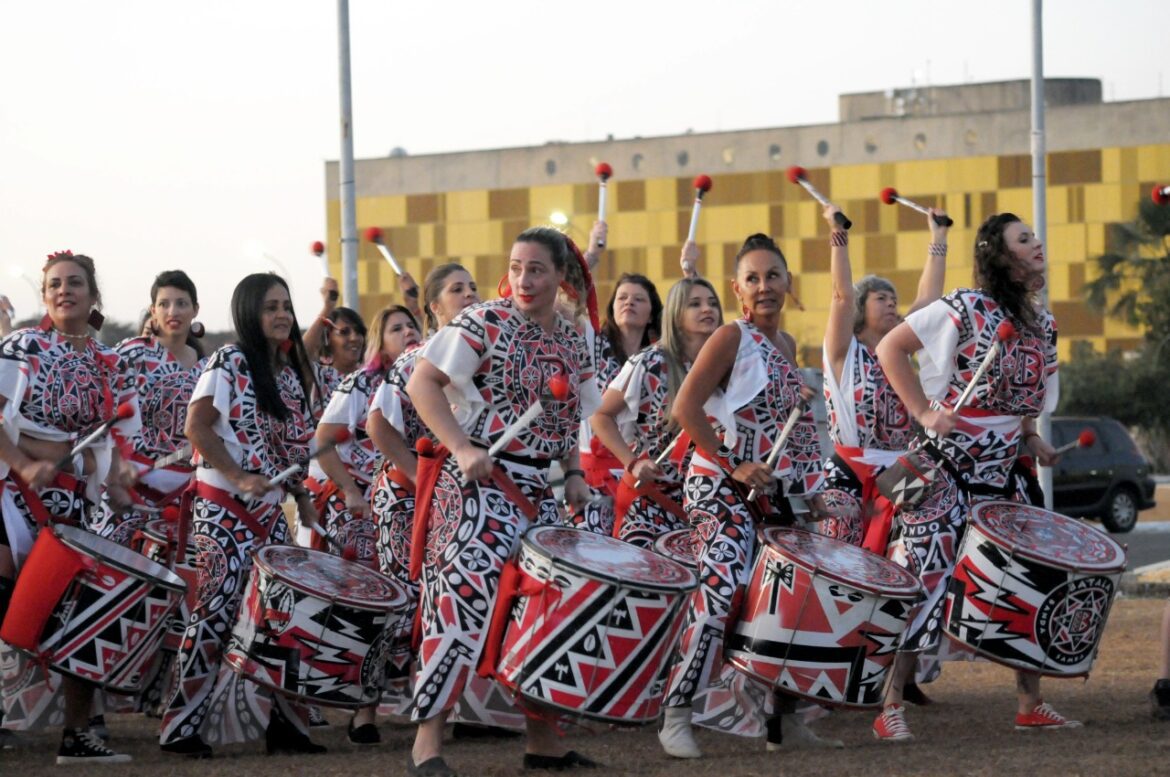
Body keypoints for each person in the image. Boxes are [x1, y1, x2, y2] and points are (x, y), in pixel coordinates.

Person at [872, 213, 1077, 741]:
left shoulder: (1044, 324)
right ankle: (888, 704)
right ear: (999, 255)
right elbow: (890, 348)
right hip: (944, 471)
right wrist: (922, 412)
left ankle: (1030, 703)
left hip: (1003, 473)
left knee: (1025, 582)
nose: (1037, 246)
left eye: (1035, 238)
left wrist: (1031, 436)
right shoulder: (962, 306)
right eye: (1024, 240)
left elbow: (1026, 402)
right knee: (920, 579)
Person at [404, 227, 599, 776]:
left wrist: (575, 472)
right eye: (515, 267)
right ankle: (427, 747)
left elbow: (570, 417)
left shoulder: (572, 337)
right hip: (479, 485)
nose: (522, 280)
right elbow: (424, 384)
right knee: (459, 603)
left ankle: (543, 743)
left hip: (539, 492)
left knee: (540, 612)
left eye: (535, 269)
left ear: (560, 276)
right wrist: (462, 446)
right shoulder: (482, 321)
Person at [658, 234, 837, 758]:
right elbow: (686, 410)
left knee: (793, 600)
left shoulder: (785, 348)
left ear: (788, 284)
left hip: (772, 494)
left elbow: (794, 436)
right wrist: (735, 464)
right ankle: (676, 712)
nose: (765, 287)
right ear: (737, 289)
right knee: (721, 592)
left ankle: (784, 722)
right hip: (717, 485)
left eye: (773, 276)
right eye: (753, 278)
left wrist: (810, 493)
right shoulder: (730, 337)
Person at [159, 273, 324, 759]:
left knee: (286, 613)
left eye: (285, 306)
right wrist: (239, 475)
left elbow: (288, 450)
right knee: (212, 615)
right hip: (222, 507)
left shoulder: (291, 374)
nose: (281, 314)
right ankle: (179, 730)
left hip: (270, 511)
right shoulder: (229, 361)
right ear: (249, 312)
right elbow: (198, 427)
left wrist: (303, 497)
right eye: (270, 306)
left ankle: (287, 727)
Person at [0, 251, 138, 763]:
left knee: (85, 615)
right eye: (54, 284)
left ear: (93, 294)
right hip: (14, 498)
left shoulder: (107, 362)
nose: (64, 291)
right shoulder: (22, 347)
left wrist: (120, 481)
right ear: (44, 296)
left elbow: (111, 441)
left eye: (75, 283)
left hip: (76, 509)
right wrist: (25, 460)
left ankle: (77, 735)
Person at [367, 264, 481, 720]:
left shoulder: (481, 350)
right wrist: (420, 477)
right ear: (434, 307)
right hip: (406, 494)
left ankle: (460, 706)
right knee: (402, 601)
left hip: (456, 491)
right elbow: (377, 425)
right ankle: (366, 710)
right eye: (457, 290)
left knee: (452, 599)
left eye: (473, 287)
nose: (470, 295)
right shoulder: (419, 356)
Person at [307, 303, 419, 744]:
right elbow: (322, 442)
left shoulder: (426, 379)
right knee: (370, 611)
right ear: (379, 339)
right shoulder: (361, 383)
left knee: (411, 607)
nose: (407, 332)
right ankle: (362, 714)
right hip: (358, 512)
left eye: (411, 325)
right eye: (396, 328)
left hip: (411, 507)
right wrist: (351, 492)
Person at [818, 202, 948, 549]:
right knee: (840, 559)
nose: (892, 303)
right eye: (881, 298)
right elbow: (841, 295)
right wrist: (838, 235)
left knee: (907, 554)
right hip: (848, 470)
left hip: (898, 471)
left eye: (894, 298)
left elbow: (929, 300)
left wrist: (939, 237)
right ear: (863, 306)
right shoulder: (843, 350)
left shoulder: (899, 352)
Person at [591, 249, 720, 548]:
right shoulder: (649, 361)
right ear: (676, 313)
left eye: (713, 303)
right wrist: (632, 462)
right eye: (695, 304)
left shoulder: (724, 368)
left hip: (701, 501)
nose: (707, 309)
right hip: (648, 501)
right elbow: (600, 415)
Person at [88, 270, 206, 546]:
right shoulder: (131, 353)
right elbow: (100, 412)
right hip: (127, 488)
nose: (172, 310)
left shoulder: (209, 368)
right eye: (164, 303)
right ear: (153, 310)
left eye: (181, 303)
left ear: (195, 309)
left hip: (184, 497)